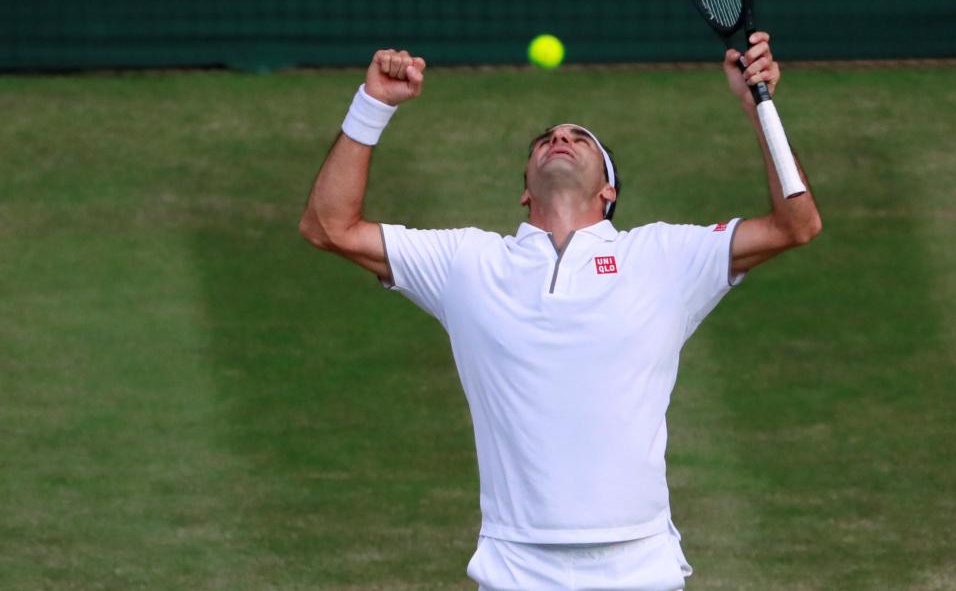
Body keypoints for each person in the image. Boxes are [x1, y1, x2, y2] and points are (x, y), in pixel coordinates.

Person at [299, 32, 822, 590]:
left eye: (579, 138)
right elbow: (328, 226)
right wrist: (372, 103)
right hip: (515, 569)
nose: (560, 139)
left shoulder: (664, 257)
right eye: (546, 138)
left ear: (609, 192)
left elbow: (797, 224)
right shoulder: (468, 263)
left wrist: (759, 108)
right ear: (525, 190)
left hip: (639, 567)